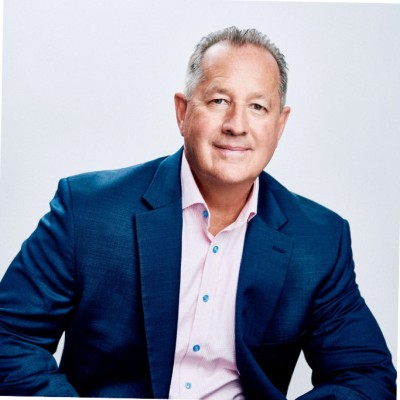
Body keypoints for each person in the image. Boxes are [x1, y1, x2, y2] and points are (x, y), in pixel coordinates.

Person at [0, 26, 396, 399]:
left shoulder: (319, 241)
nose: (237, 125)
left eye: (258, 107)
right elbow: (10, 336)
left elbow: (365, 375)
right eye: (219, 101)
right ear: (183, 112)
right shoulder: (88, 211)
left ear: (280, 125)